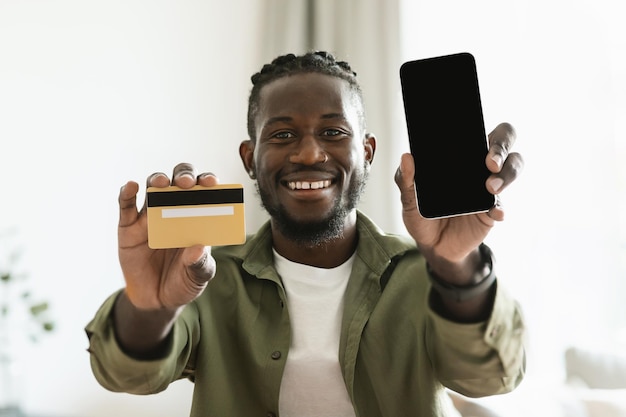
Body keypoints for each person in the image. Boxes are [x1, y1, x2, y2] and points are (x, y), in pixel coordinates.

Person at [86, 51, 526, 417]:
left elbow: (491, 377)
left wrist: (455, 267)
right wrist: (150, 307)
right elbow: (127, 375)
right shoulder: (206, 275)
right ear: (249, 157)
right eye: (282, 134)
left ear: (367, 152)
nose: (309, 152)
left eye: (334, 132)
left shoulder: (420, 276)